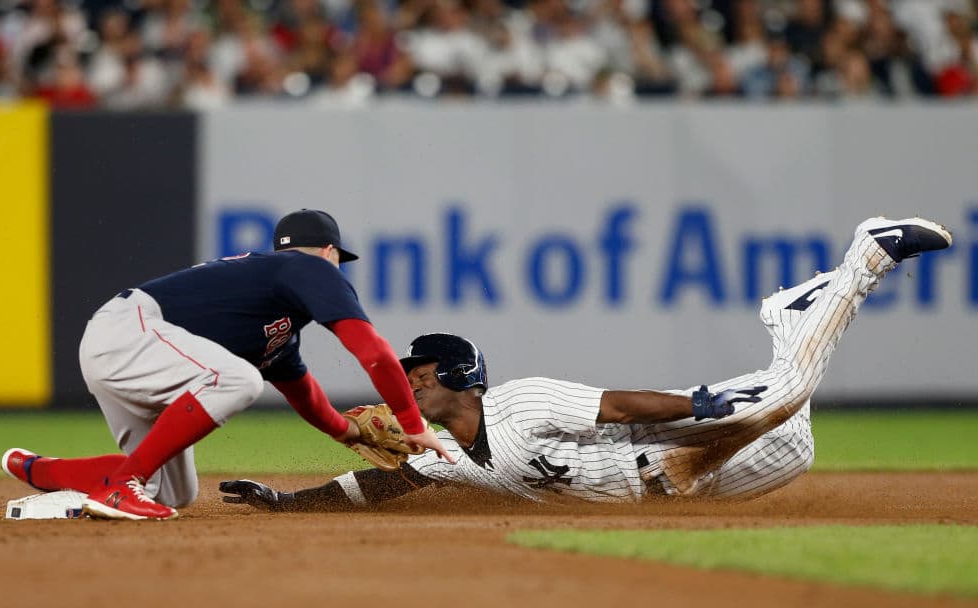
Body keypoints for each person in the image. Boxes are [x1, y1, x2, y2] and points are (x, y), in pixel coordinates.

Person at [219, 216, 952, 510]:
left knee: (784, 394)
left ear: (450, 376)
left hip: (680, 437)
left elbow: (623, 407)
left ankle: (862, 260)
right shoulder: (442, 451)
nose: (406, 379)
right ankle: (797, 323)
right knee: (797, 441)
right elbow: (379, 486)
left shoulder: (520, 404)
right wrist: (287, 502)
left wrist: (698, 407)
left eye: (417, 369)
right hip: (689, 484)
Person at [1, 209, 453, 520]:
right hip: (131, 330)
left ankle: (36, 469)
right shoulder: (307, 268)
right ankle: (123, 482)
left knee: (174, 493)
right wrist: (412, 423)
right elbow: (373, 352)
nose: (338, 270)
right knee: (237, 380)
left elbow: (306, 395)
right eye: (338, 260)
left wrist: (349, 431)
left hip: (123, 348)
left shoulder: (274, 325)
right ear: (329, 252)